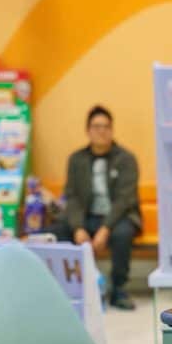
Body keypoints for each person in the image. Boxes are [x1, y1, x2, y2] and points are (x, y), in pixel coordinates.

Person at [58, 105, 141, 309]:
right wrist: (78, 227)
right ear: (88, 130)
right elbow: (72, 197)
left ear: (112, 130)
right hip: (87, 216)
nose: (101, 131)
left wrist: (105, 228)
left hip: (118, 217)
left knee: (122, 234)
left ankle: (119, 289)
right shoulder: (76, 160)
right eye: (96, 126)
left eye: (105, 126)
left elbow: (125, 199)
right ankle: (66, 289)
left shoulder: (126, 159)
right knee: (56, 232)